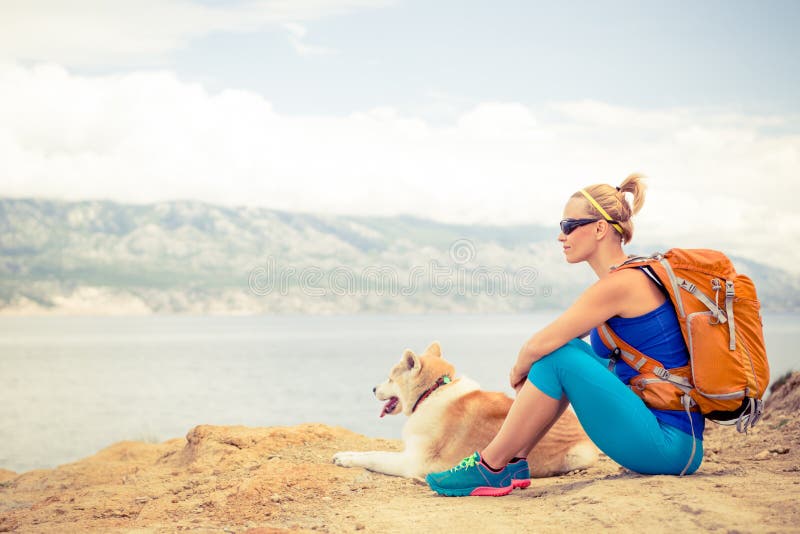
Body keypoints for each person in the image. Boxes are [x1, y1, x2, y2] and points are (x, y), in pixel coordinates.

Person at [426, 174, 704, 497]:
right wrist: (536, 367)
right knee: (561, 352)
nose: (561, 236)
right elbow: (559, 343)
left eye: (569, 225)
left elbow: (541, 344)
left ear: (600, 229)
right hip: (664, 439)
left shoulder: (621, 285)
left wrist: (519, 371)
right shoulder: (625, 279)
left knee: (557, 354)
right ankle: (513, 461)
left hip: (668, 445)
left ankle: (490, 465)